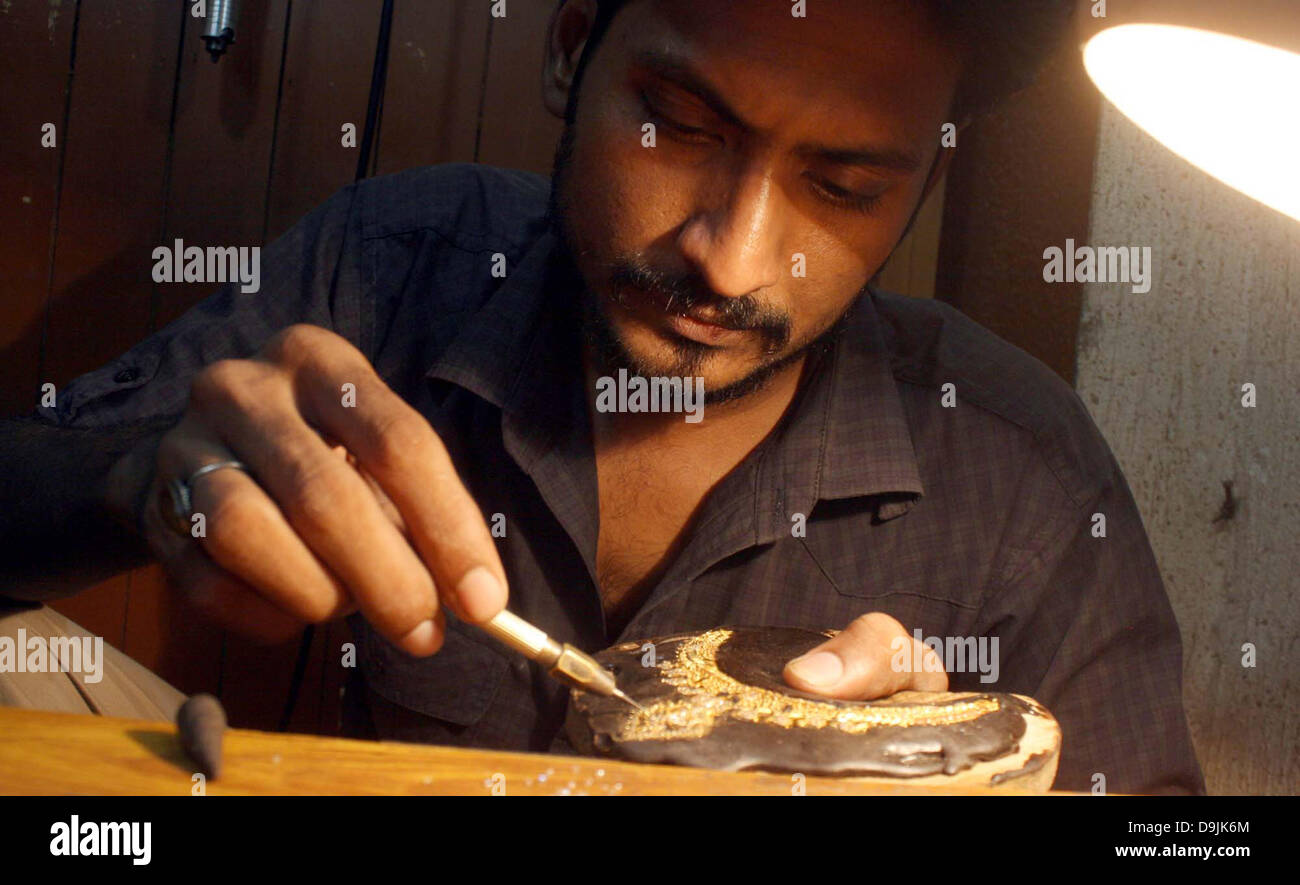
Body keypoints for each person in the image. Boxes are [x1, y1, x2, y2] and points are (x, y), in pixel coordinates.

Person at [0, 0, 1204, 793]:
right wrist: (140, 483)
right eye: (676, 127)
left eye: (840, 189)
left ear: (923, 180)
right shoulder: (391, 261)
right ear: (572, 46)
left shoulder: (1025, 473)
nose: (730, 262)